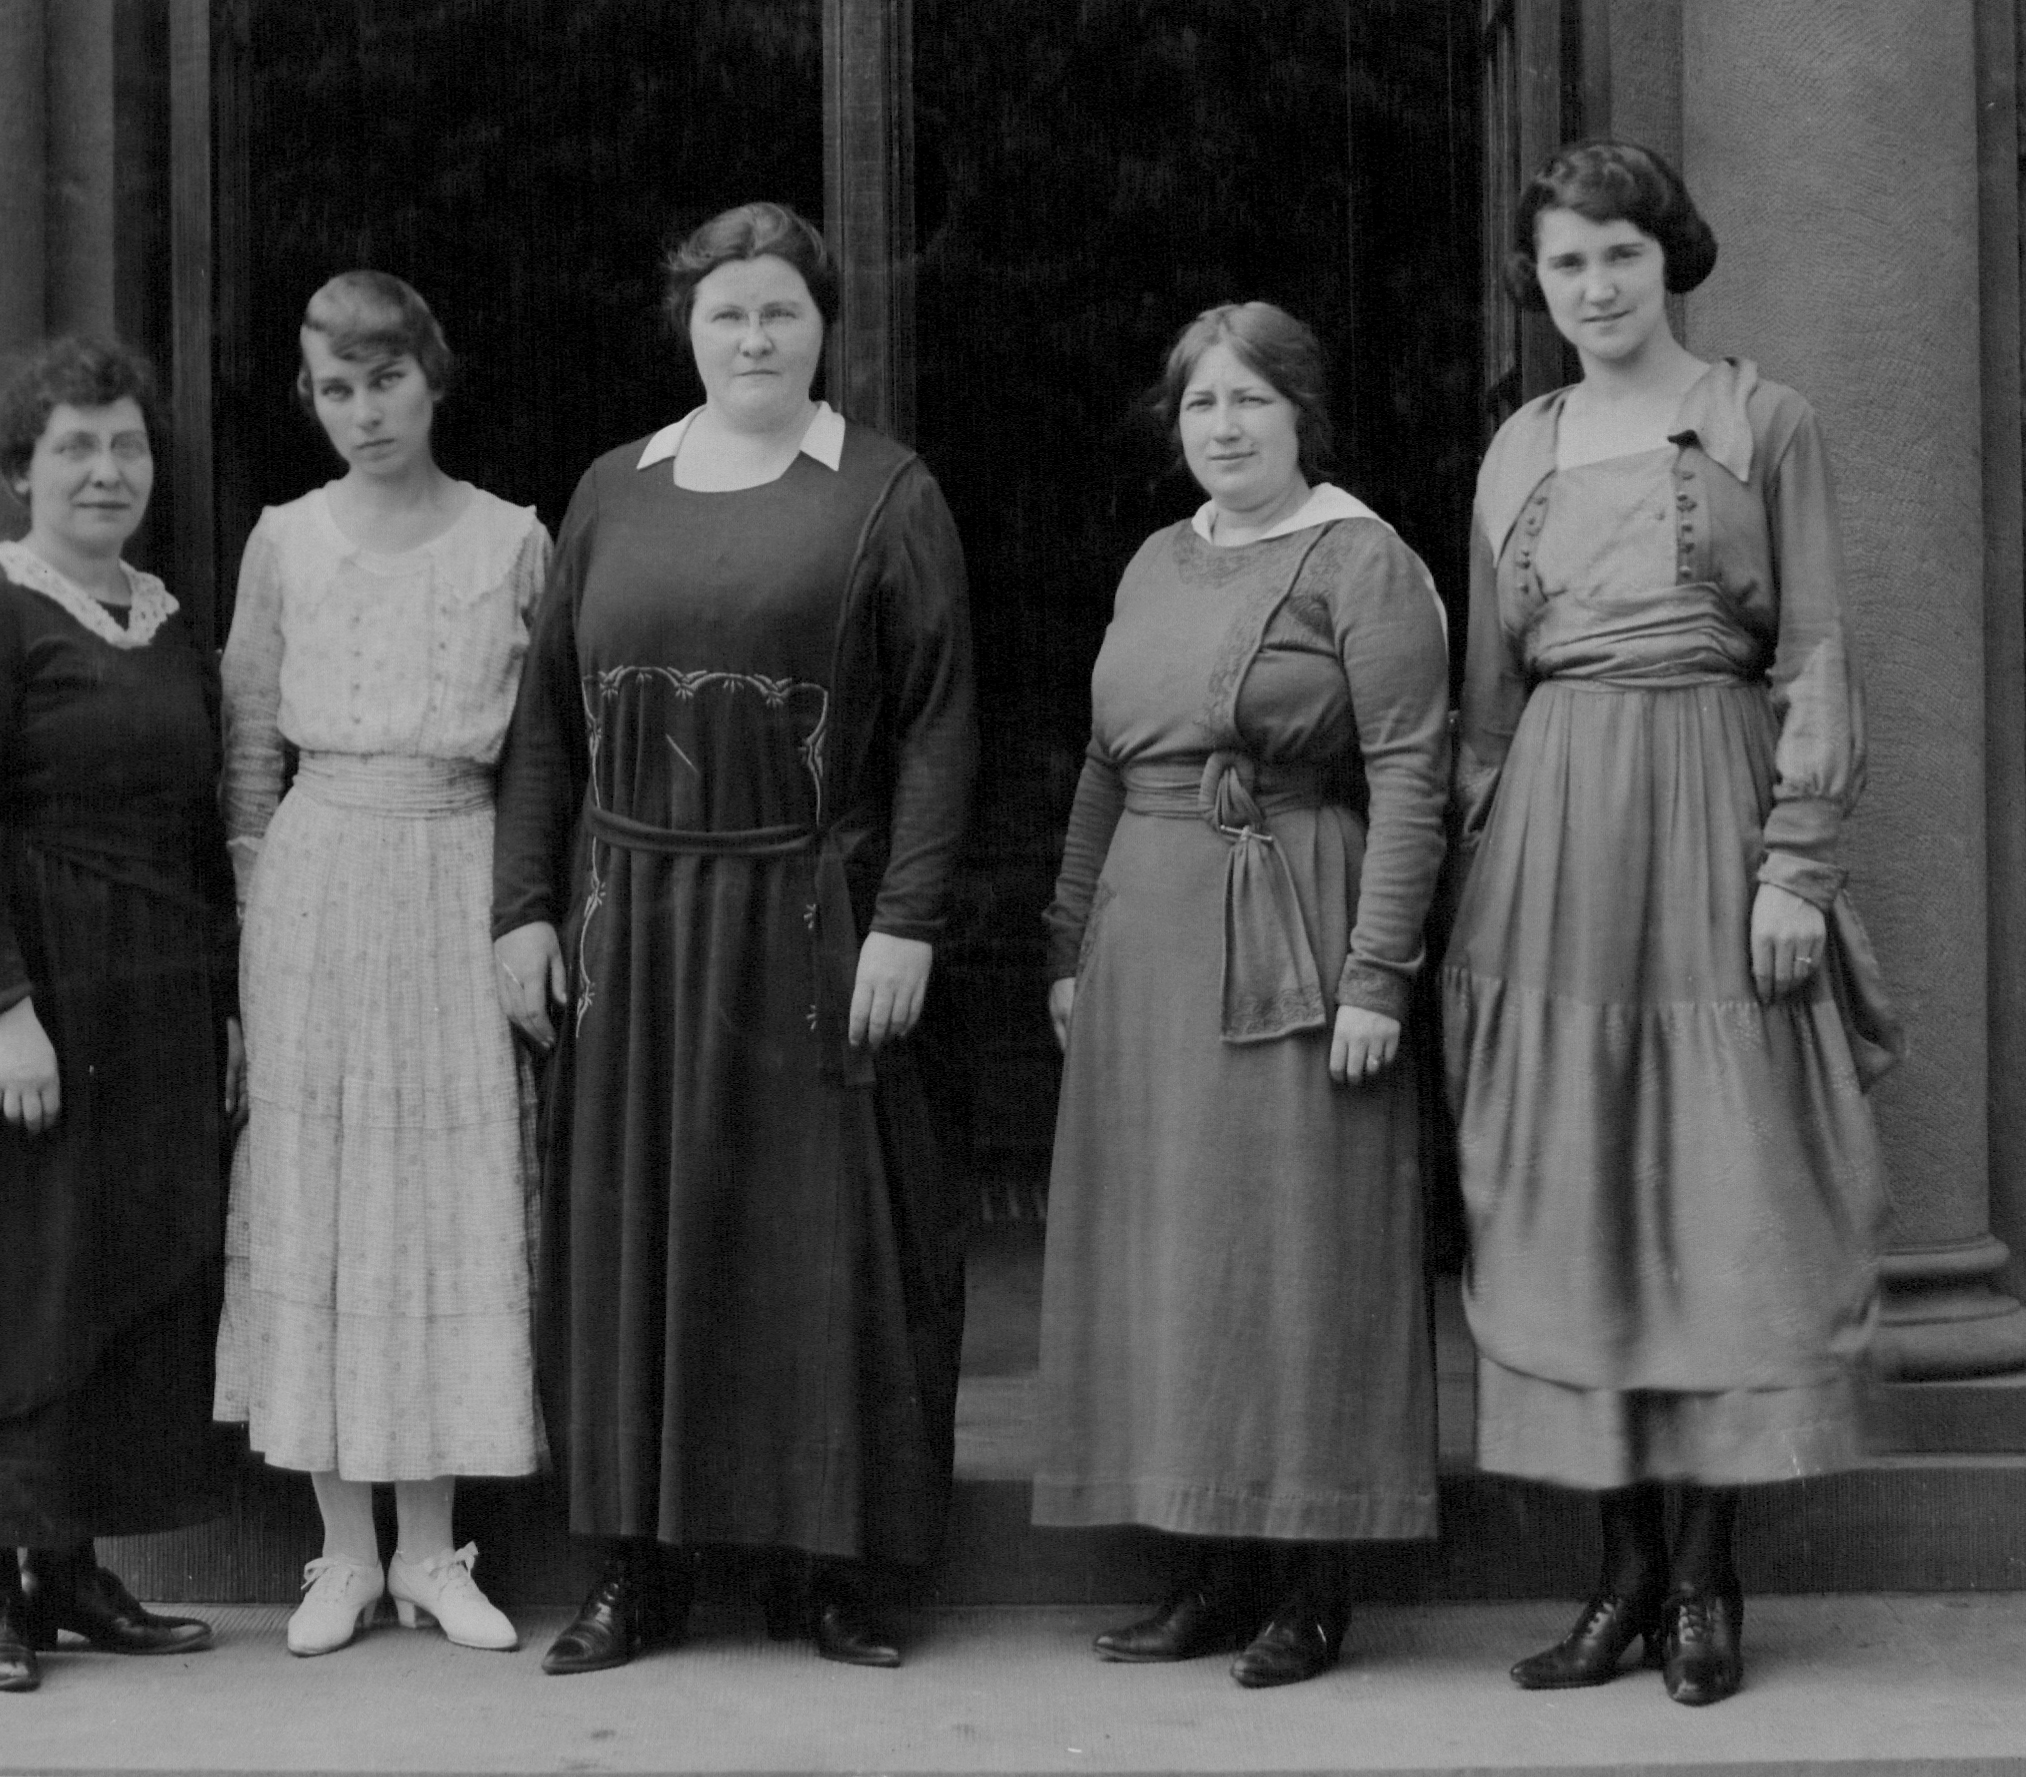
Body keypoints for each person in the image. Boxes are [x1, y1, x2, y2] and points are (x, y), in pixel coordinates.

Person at [489, 201, 976, 1674]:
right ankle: (637, 1568)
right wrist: (520, 909)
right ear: (686, 330)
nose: (752, 337)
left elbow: (944, 725)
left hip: (808, 919)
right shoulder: (611, 489)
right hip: (629, 924)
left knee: (812, 1250)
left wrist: (907, 920)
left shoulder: (884, 494)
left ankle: (820, 1568)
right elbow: (543, 731)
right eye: (725, 313)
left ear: (824, 326)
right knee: (636, 1245)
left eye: (779, 311)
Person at [1444, 139, 1899, 1708]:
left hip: (1708, 804)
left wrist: (1795, 864)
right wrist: (1474, 869)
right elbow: (1488, 708)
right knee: (1572, 1186)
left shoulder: (1761, 423)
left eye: (1620, 255)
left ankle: (1707, 1579)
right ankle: (1617, 1575)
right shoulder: (1518, 449)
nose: (1595, 285)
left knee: (1712, 1188)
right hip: (1554, 846)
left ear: (1669, 258)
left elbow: (1818, 653)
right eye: (1567, 262)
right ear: (1541, 281)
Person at [1034, 302, 1449, 1689]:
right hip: (1146, 937)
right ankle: (1206, 1569)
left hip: (1298, 923)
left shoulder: (1361, 557)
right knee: (1180, 1259)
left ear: (1299, 419)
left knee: (1296, 1249)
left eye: (1250, 404)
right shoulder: (1155, 559)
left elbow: (1408, 774)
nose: (1222, 428)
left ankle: (1310, 1580)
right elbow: (1103, 763)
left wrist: (1375, 970)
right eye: (1202, 405)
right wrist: (1066, 944)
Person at [0, 336, 238, 1693]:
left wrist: (222, 998)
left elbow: (200, 826)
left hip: (148, 990)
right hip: (23, 981)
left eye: (126, 446)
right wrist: (4, 1008)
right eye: (74, 447)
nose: (103, 470)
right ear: (22, 469)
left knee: (115, 1264)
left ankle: (72, 1570)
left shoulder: (162, 615)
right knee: (10, 1271)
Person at [212, 272, 548, 1657]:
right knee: (326, 1196)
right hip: (316, 875)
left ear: (433, 375)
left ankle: (431, 1546)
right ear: (312, 400)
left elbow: (544, 751)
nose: (364, 411)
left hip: (456, 870)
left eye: (386, 379)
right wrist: (252, 934)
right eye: (336, 388)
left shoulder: (516, 541)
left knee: (443, 1194)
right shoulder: (283, 541)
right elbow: (244, 755)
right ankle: (342, 1550)